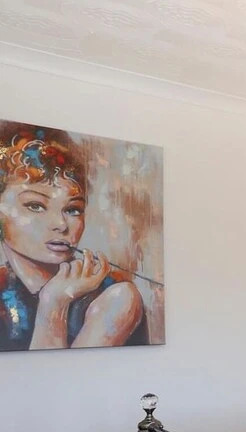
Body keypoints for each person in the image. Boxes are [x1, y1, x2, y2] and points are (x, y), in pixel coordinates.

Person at [0, 122, 147, 351]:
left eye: (72, 209)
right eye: (35, 206)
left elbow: (57, 371)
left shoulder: (116, 297)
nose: (61, 225)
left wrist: (55, 302)